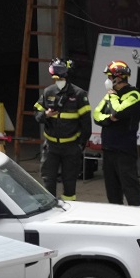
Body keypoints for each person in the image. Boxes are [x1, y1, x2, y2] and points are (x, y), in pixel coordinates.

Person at [34, 59, 92, 201]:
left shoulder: (79, 94)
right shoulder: (48, 92)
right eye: (55, 78)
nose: (58, 80)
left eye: (60, 77)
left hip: (71, 147)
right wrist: (45, 115)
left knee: (69, 181)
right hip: (51, 147)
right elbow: (37, 115)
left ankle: (69, 208)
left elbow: (86, 124)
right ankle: (50, 208)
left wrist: (80, 145)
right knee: (48, 179)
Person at [93, 60, 140, 207]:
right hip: (108, 148)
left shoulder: (134, 95)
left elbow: (118, 111)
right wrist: (109, 119)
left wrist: (112, 99)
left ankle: (139, 218)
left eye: (110, 77)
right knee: (112, 191)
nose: (108, 80)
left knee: (130, 187)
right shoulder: (111, 95)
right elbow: (97, 115)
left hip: (124, 150)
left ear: (119, 77)